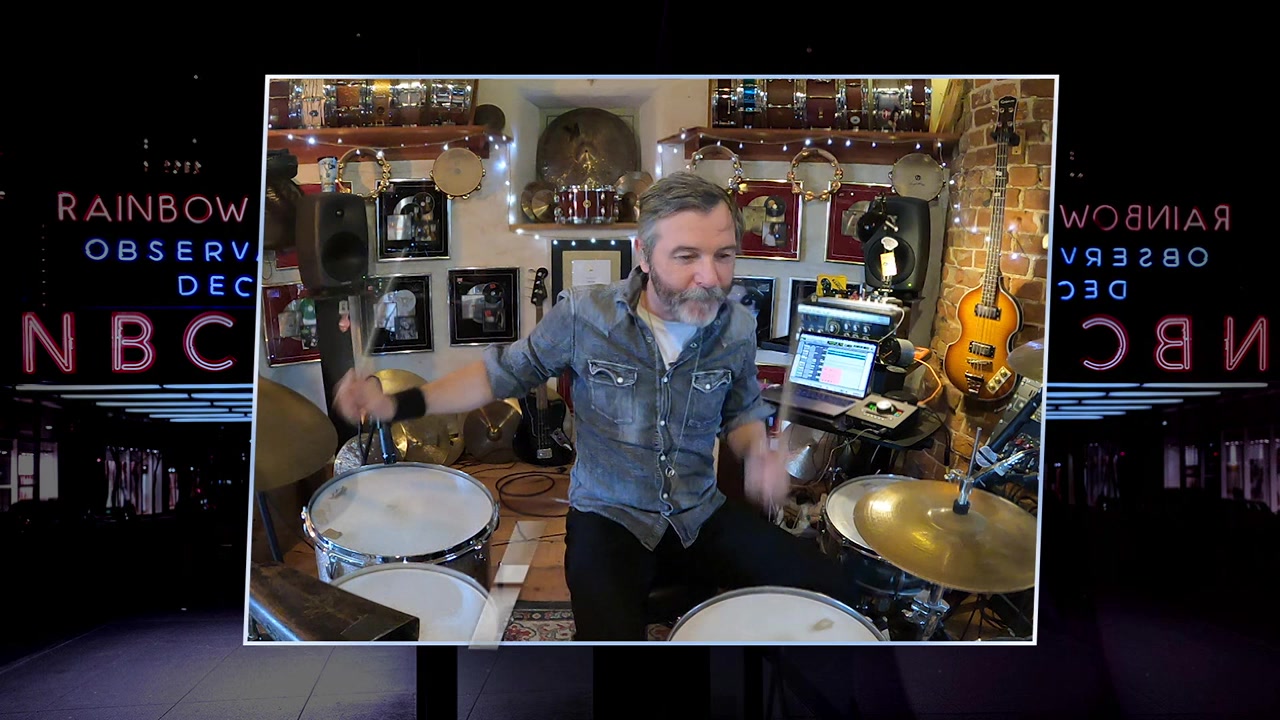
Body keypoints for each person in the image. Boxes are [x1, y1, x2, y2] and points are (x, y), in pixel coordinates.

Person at [332, 171, 862, 641]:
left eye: (723, 255)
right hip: (610, 517)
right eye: (686, 257)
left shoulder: (737, 326)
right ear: (643, 254)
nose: (710, 277)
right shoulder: (585, 317)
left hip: (699, 513)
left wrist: (758, 452)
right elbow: (501, 374)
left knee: (835, 593)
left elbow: (740, 412)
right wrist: (396, 404)